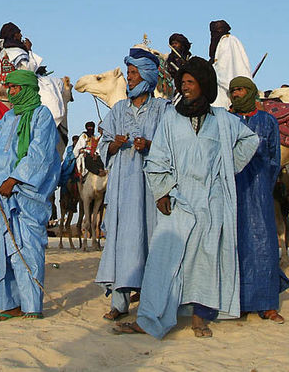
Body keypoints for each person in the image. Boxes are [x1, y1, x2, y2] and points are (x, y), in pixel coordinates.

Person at [114, 57, 259, 338]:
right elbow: (158, 158)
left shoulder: (223, 120)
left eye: (190, 82)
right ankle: (148, 319)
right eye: (183, 83)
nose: (185, 87)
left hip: (211, 199)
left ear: (203, 85)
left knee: (205, 258)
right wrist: (161, 191)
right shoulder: (171, 117)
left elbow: (249, 141)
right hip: (178, 198)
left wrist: (226, 169)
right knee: (163, 257)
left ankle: (199, 319)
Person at [0, 70, 60, 321]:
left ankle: (32, 305)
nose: (10, 93)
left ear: (26, 89)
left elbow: (40, 154)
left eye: (14, 88)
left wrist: (14, 179)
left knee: (28, 247)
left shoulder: (42, 115)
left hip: (27, 192)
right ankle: (10, 304)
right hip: (2, 191)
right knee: (4, 249)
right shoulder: (7, 118)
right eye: (9, 88)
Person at [95, 48, 171, 321]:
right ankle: (119, 302)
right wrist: (113, 145)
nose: (129, 78)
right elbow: (103, 145)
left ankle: (153, 302)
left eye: (134, 73)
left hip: (151, 187)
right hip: (122, 186)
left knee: (151, 240)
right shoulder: (117, 110)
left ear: (148, 76)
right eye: (128, 73)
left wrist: (152, 146)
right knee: (121, 241)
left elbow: (173, 145)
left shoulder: (164, 110)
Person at [228, 77, 289, 323]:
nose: (236, 94)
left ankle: (267, 304)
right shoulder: (228, 120)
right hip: (233, 187)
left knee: (264, 242)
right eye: (233, 90)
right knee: (237, 242)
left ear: (251, 91)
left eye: (241, 89)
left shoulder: (266, 121)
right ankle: (241, 302)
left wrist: (265, 182)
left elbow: (274, 156)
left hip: (260, 188)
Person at [0, 22, 67, 130]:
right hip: (17, 89)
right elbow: (28, 71)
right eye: (19, 34)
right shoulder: (17, 51)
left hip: (2, 87)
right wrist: (29, 50)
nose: (21, 36)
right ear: (14, 35)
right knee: (52, 87)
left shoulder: (0, 53)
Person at [209, 20, 251, 108]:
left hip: (229, 91)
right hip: (218, 91)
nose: (216, 34)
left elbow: (223, 70)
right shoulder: (220, 43)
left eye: (219, 30)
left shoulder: (229, 42)